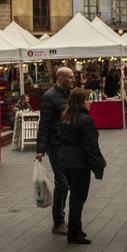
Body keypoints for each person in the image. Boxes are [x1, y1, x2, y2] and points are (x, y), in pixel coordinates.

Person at [59, 88, 106, 245]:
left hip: (66, 161)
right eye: (87, 99)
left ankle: (76, 229)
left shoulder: (66, 116)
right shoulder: (85, 120)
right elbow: (91, 146)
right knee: (78, 199)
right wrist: (98, 166)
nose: (90, 101)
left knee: (75, 197)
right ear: (80, 101)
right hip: (79, 164)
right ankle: (74, 234)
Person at [36, 67, 74, 235]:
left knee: (67, 181)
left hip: (68, 143)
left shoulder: (69, 94)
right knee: (62, 182)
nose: (73, 80)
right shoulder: (49, 97)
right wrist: (41, 149)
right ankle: (58, 221)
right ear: (61, 79)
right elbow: (44, 123)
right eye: (70, 77)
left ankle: (63, 219)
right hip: (55, 144)